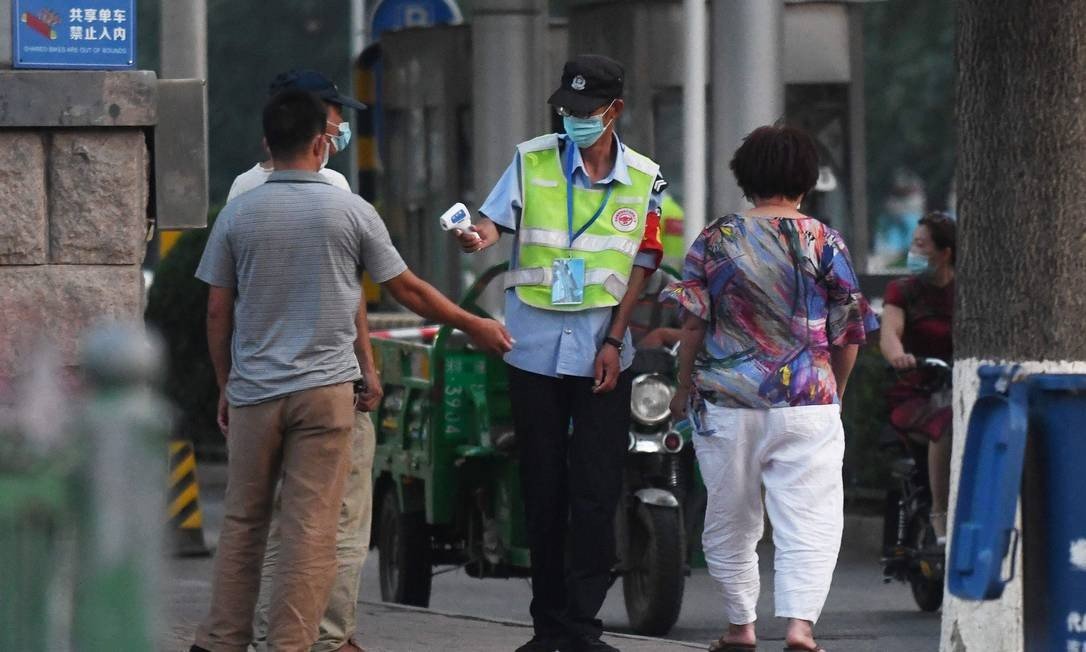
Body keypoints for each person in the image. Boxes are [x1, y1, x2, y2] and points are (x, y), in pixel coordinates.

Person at [191, 90, 511, 652]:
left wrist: (225, 384)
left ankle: (219, 641)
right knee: (311, 530)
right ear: (320, 143)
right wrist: (473, 324)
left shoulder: (237, 213)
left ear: (269, 142)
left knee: (244, 524)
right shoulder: (351, 211)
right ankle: (291, 644)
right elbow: (406, 289)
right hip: (324, 396)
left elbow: (218, 309)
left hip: (254, 395)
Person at [453, 54, 666, 652]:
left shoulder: (645, 179)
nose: (569, 119)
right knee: (542, 488)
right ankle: (549, 627)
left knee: (596, 492)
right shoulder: (532, 159)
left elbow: (641, 266)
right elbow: (495, 223)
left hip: (603, 354)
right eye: (564, 109)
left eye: (582, 111)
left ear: (613, 111)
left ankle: (582, 627)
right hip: (535, 351)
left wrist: (616, 340)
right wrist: (477, 234)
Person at [663, 125, 877, 652]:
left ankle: (741, 627)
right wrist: (836, 391)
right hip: (808, 399)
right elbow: (849, 332)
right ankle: (800, 627)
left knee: (730, 515)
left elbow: (692, 324)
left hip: (726, 401)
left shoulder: (716, 239)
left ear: (745, 177)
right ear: (807, 180)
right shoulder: (825, 241)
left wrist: (682, 385)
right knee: (809, 516)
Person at [225, 70, 375, 652]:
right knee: (333, 519)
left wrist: (225, 381)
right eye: (336, 116)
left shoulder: (242, 192)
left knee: (263, 521)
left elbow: (222, 303)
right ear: (316, 124)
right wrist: (368, 365)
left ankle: (271, 635)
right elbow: (353, 290)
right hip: (326, 380)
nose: (340, 127)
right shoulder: (331, 187)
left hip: (258, 381)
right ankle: (329, 637)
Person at [879, 212, 956, 544]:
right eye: (913, 243)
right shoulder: (903, 290)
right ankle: (940, 515)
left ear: (945, 253)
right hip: (916, 392)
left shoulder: (967, 292)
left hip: (956, 388)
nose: (914, 251)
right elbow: (889, 333)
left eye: (921, 245)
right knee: (947, 426)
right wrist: (899, 355)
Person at [227, 70, 357, 202]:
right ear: (315, 114)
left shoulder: (243, 185)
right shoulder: (334, 183)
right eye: (338, 113)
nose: (341, 122)